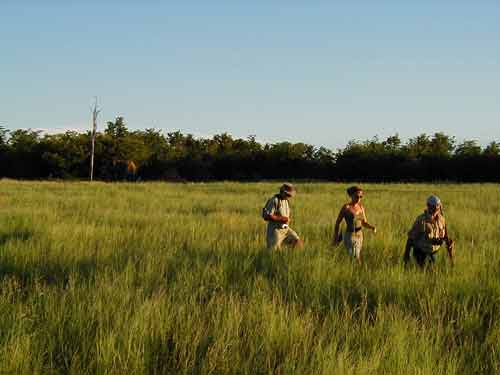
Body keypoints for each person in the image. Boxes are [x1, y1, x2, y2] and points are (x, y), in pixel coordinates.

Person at [403, 195, 455, 268]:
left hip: (434, 252)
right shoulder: (421, 220)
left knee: (434, 271)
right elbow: (410, 239)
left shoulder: (442, 220)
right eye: (433, 208)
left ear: (439, 207)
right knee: (428, 271)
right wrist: (406, 256)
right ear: (428, 206)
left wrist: (451, 259)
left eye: (437, 209)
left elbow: (446, 237)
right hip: (421, 252)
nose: (435, 211)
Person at [332, 186, 376, 264]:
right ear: (351, 195)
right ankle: (360, 271)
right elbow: (337, 222)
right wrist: (335, 236)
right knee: (356, 257)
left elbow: (364, 222)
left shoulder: (361, 207)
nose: (359, 198)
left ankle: (352, 271)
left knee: (355, 256)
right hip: (350, 235)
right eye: (356, 196)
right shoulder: (346, 207)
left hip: (360, 236)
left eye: (361, 196)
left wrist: (372, 227)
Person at [262, 183, 303, 249]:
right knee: (274, 253)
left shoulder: (286, 201)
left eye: (290, 195)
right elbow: (266, 216)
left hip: (286, 229)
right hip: (275, 231)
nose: (290, 196)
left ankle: (290, 258)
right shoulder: (274, 200)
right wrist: (282, 219)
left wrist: (285, 220)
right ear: (282, 192)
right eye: (288, 194)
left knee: (297, 242)